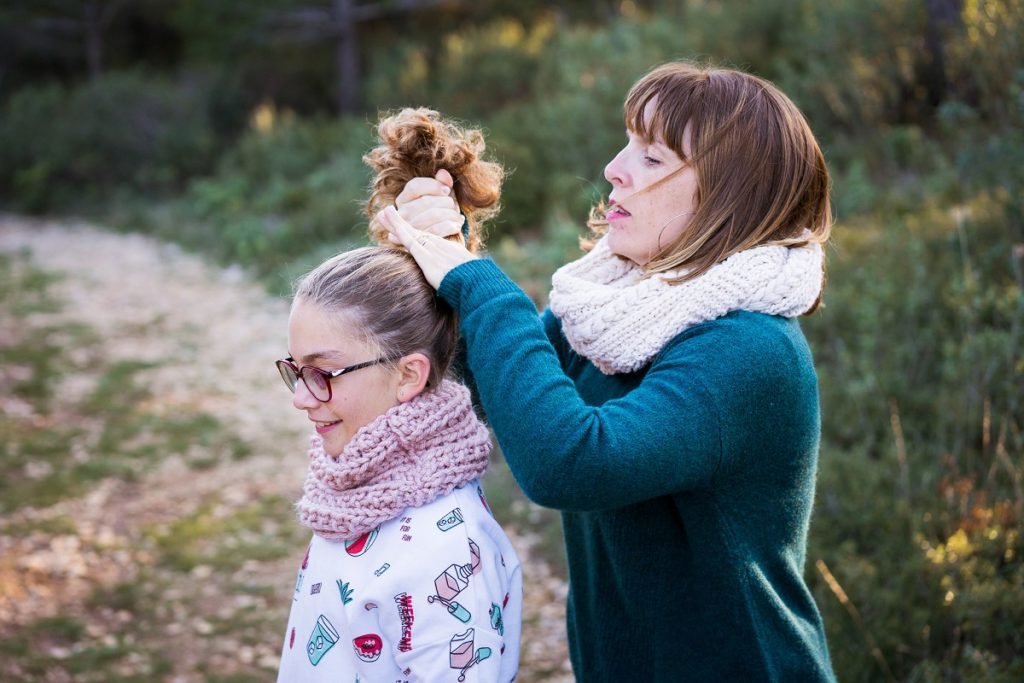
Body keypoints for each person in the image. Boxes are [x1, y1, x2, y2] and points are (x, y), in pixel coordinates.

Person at [377, 62, 837, 681]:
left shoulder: (750, 349)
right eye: (627, 145)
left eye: (651, 158)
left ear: (730, 195)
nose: (614, 169)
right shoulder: (620, 310)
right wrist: (437, 249)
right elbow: (488, 387)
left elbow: (569, 462)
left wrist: (479, 285)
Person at [275, 109, 521, 683]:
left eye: (324, 372)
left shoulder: (450, 550)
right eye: (295, 371)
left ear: (409, 376)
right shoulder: (351, 494)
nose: (301, 399)